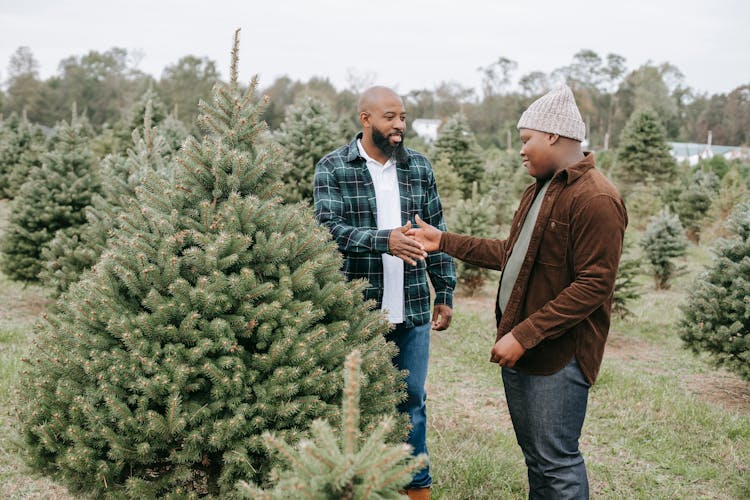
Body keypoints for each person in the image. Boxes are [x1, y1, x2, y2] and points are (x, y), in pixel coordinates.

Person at [407, 85, 627, 499]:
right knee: (538, 461)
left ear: (554, 136)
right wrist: (444, 241)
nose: (521, 150)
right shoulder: (542, 188)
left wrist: (524, 334)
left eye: (527, 140)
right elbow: (514, 255)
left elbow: (594, 285)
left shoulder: (595, 198)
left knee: (557, 463)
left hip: (557, 357)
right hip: (528, 352)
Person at [313, 86, 456, 499]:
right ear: (365, 119)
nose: (399, 126)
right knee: (352, 405)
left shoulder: (418, 168)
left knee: (412, 401)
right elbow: (326, 229)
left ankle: (417, 489)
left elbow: (437, 232)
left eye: (404, 118)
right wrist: (384, 241)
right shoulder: (334, 168)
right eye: (390, 117)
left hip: (411, 308)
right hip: (358, 311)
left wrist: (444, 291)